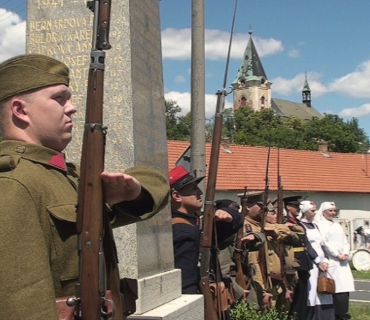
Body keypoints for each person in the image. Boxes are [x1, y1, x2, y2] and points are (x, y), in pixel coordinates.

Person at [0, 54, 170, 320]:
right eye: (59, 98)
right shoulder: (13, 184)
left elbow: (157, 185)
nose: (72, 107)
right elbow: (19, 299)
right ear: (20, 110)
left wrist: (132, 190)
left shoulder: (63, 176)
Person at [169, 165, 242, 294]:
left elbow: (237, 223)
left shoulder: (194, 221)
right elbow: (186, 282)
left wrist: (228, 213)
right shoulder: (184, 231)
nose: (200, 192)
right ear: (176, 196)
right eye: (193, 188)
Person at [217, 199, 266, 308]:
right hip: (231, 287)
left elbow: (261, 239)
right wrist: (238, 291)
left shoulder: (238, 234)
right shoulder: (220, 241)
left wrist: (255, 237)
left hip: (245, 280)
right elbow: (223, 272)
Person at [316, 202, 355, 320]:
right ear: (323, 212)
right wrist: (337, 254)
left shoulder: (337, 225)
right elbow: (325, 242)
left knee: (344, 289)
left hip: (342, 261)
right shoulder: (320, 224)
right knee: (332, 288)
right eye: (330, 211)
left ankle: (342, 313)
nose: (333, 213)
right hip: (331, 260)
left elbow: (345, 240)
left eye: (334, 211)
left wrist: (346, 253)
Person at [284, 196, 318, 320]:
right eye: (295, 206)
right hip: (295, 261)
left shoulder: (297, 222)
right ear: (288, 207)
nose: (298, 209)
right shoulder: (285, 222)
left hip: (304, 261)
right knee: (296, 296)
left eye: (299, 206)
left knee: (303, 295)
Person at [300, 200, 335, 320]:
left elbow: (322, 245)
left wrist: (325, 260)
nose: (314, 213)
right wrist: (317, 261)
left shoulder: (315, 226)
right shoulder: (301, 226)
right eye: (312, 211)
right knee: (312, 292)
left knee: (324, 291)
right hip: (311, 262)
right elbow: (307, 245)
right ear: (305, 211)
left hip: (322, 262)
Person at [264, 203, 302, 312]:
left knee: (285, 306)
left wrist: (289, 227)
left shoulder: (279, 226)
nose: (275, 216)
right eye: (273, 213)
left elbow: (299, 233)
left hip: (285, 273)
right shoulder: (265, 226)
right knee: (271, 305)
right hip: (271, 274)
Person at [240, 191, 274, 309]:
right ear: (248, 206)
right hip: (254, 283)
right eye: (260, 206)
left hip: (267, 280)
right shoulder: (245, 227)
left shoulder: (260, 225)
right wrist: (263, 290)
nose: (263, 209)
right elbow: (253, 263)